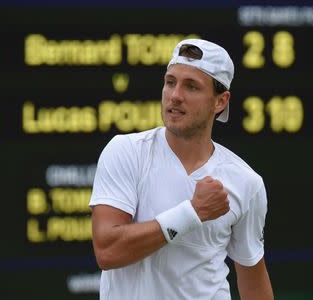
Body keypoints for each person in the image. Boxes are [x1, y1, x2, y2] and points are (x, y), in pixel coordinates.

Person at [89, 38, 273, 300]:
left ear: (220, 101)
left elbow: (253, 279)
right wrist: (193, 212)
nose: (175, 95)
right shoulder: (126, 151)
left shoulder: (247, 182)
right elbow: (107, 251)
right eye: (170, 82)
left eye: (191, 87)